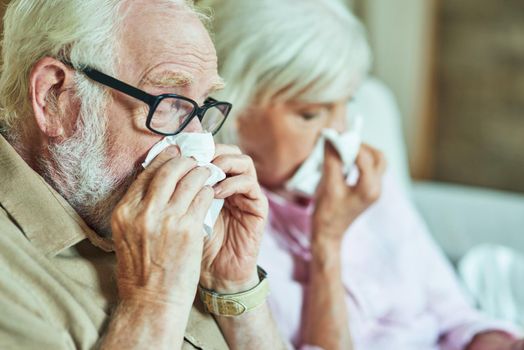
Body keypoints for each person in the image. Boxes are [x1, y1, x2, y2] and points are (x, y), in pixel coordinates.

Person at [199, 0, 524, 349]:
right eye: (311, 114)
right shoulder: (232, 233)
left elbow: (457, 316)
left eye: (347, 102)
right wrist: (327, 241)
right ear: (233, 109)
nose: (339, 131)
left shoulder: (368, 188)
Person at [0, 1, 288, 349]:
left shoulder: (168, 224)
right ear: (53, 97)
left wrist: (232, 284)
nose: (199, 143)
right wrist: (153, 303)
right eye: (167, 101)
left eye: (203, 103)